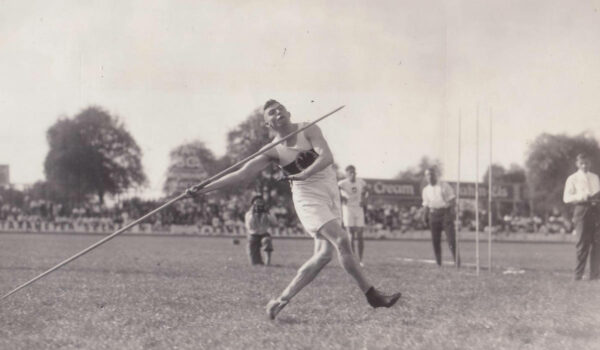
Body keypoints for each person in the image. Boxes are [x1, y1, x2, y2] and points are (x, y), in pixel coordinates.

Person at [187, 99, 401, 319]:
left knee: (323, 255)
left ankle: (280, 301)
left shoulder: (309, 128)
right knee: (342, 241)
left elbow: (327, 157)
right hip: (307, 197)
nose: (277, 112)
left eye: (280, 109)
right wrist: (203, 188)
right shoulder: (272, 150)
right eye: (271, 112)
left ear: (289, 113)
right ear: (268, 124)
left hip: (330, 193)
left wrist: (305, 173)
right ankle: (372, 295)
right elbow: (241, 174)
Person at [563, 153, 600, 281]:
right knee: (582, 243)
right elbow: (566, 198)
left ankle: (595, 275)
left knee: (597, 242)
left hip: (596, 210)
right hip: (581, 209)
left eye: (587, 163)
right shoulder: (572, 178)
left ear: (591, 163)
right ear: (577, 164)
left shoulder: (595, 177)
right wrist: (581, 196)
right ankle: (578, 275)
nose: (584, 165)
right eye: (582, 163)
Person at [421, 167, 460, 267]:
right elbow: (426, 204)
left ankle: (457, 262)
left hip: (445, 213)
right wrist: (424, 216)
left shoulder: (444, 185)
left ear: (435, 175)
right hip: (433, 214)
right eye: (427, 175)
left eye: (431, 174)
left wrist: (452, 212)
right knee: (435, 240)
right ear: (425, 177)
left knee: (451, 239)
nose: (429, 177)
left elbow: (452, 199)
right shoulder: (426, 190)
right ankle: (439, 263)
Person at [338, 165, 369, 265]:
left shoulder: (361, 182)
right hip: (348, 209)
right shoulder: (342, 183)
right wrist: (342, 198)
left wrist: (364, 200)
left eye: (354, 172)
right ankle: (353, 259)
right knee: (351, 234)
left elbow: (368, 190)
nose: (353, 174)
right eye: (350, 173)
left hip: (359, 209)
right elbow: (334, 190)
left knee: (360, 235)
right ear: (346, 174)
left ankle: (360, 260)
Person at [244, 195, 276, 266]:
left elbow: (274, 223)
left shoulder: (268, 213)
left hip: (264, 234)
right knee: (255, 263)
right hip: (253, 235)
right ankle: (258, 260)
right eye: (256, 204)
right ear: (253, 205)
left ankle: (268, 262)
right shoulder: (248, 214)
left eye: (260, 204)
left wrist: (267, 214)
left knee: (266, 240)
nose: (259, 207)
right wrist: (253, 214)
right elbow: (249, 226)